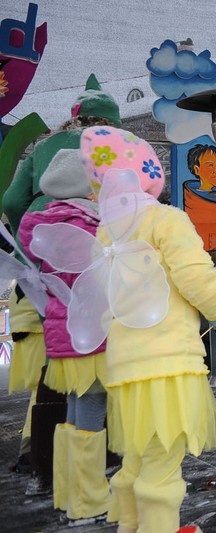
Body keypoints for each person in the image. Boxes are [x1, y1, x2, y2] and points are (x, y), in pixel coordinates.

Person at [79, 126, 216, 532]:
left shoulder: (106, 234)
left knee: (136, 460)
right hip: (168, 365)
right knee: (162, 468)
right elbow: (194, 274)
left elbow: (100, 302)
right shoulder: (166, 219)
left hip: (126, 369)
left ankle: (131, 526)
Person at [2, 72, 121, 498]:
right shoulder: (114, 147)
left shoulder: (41, 148)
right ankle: (101, 454)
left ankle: (41, 458)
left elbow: (12, 201)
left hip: (37, 275)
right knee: (97, 368)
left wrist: (32, 242)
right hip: (95, 268)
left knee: (49, 369)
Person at [19, 149, 110, 526]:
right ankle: (88, 503)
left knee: (72, 412)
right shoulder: (88, 226)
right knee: (91, 411)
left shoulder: (44, 227)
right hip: (90, 336)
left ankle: (70, 493)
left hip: (61, 335)